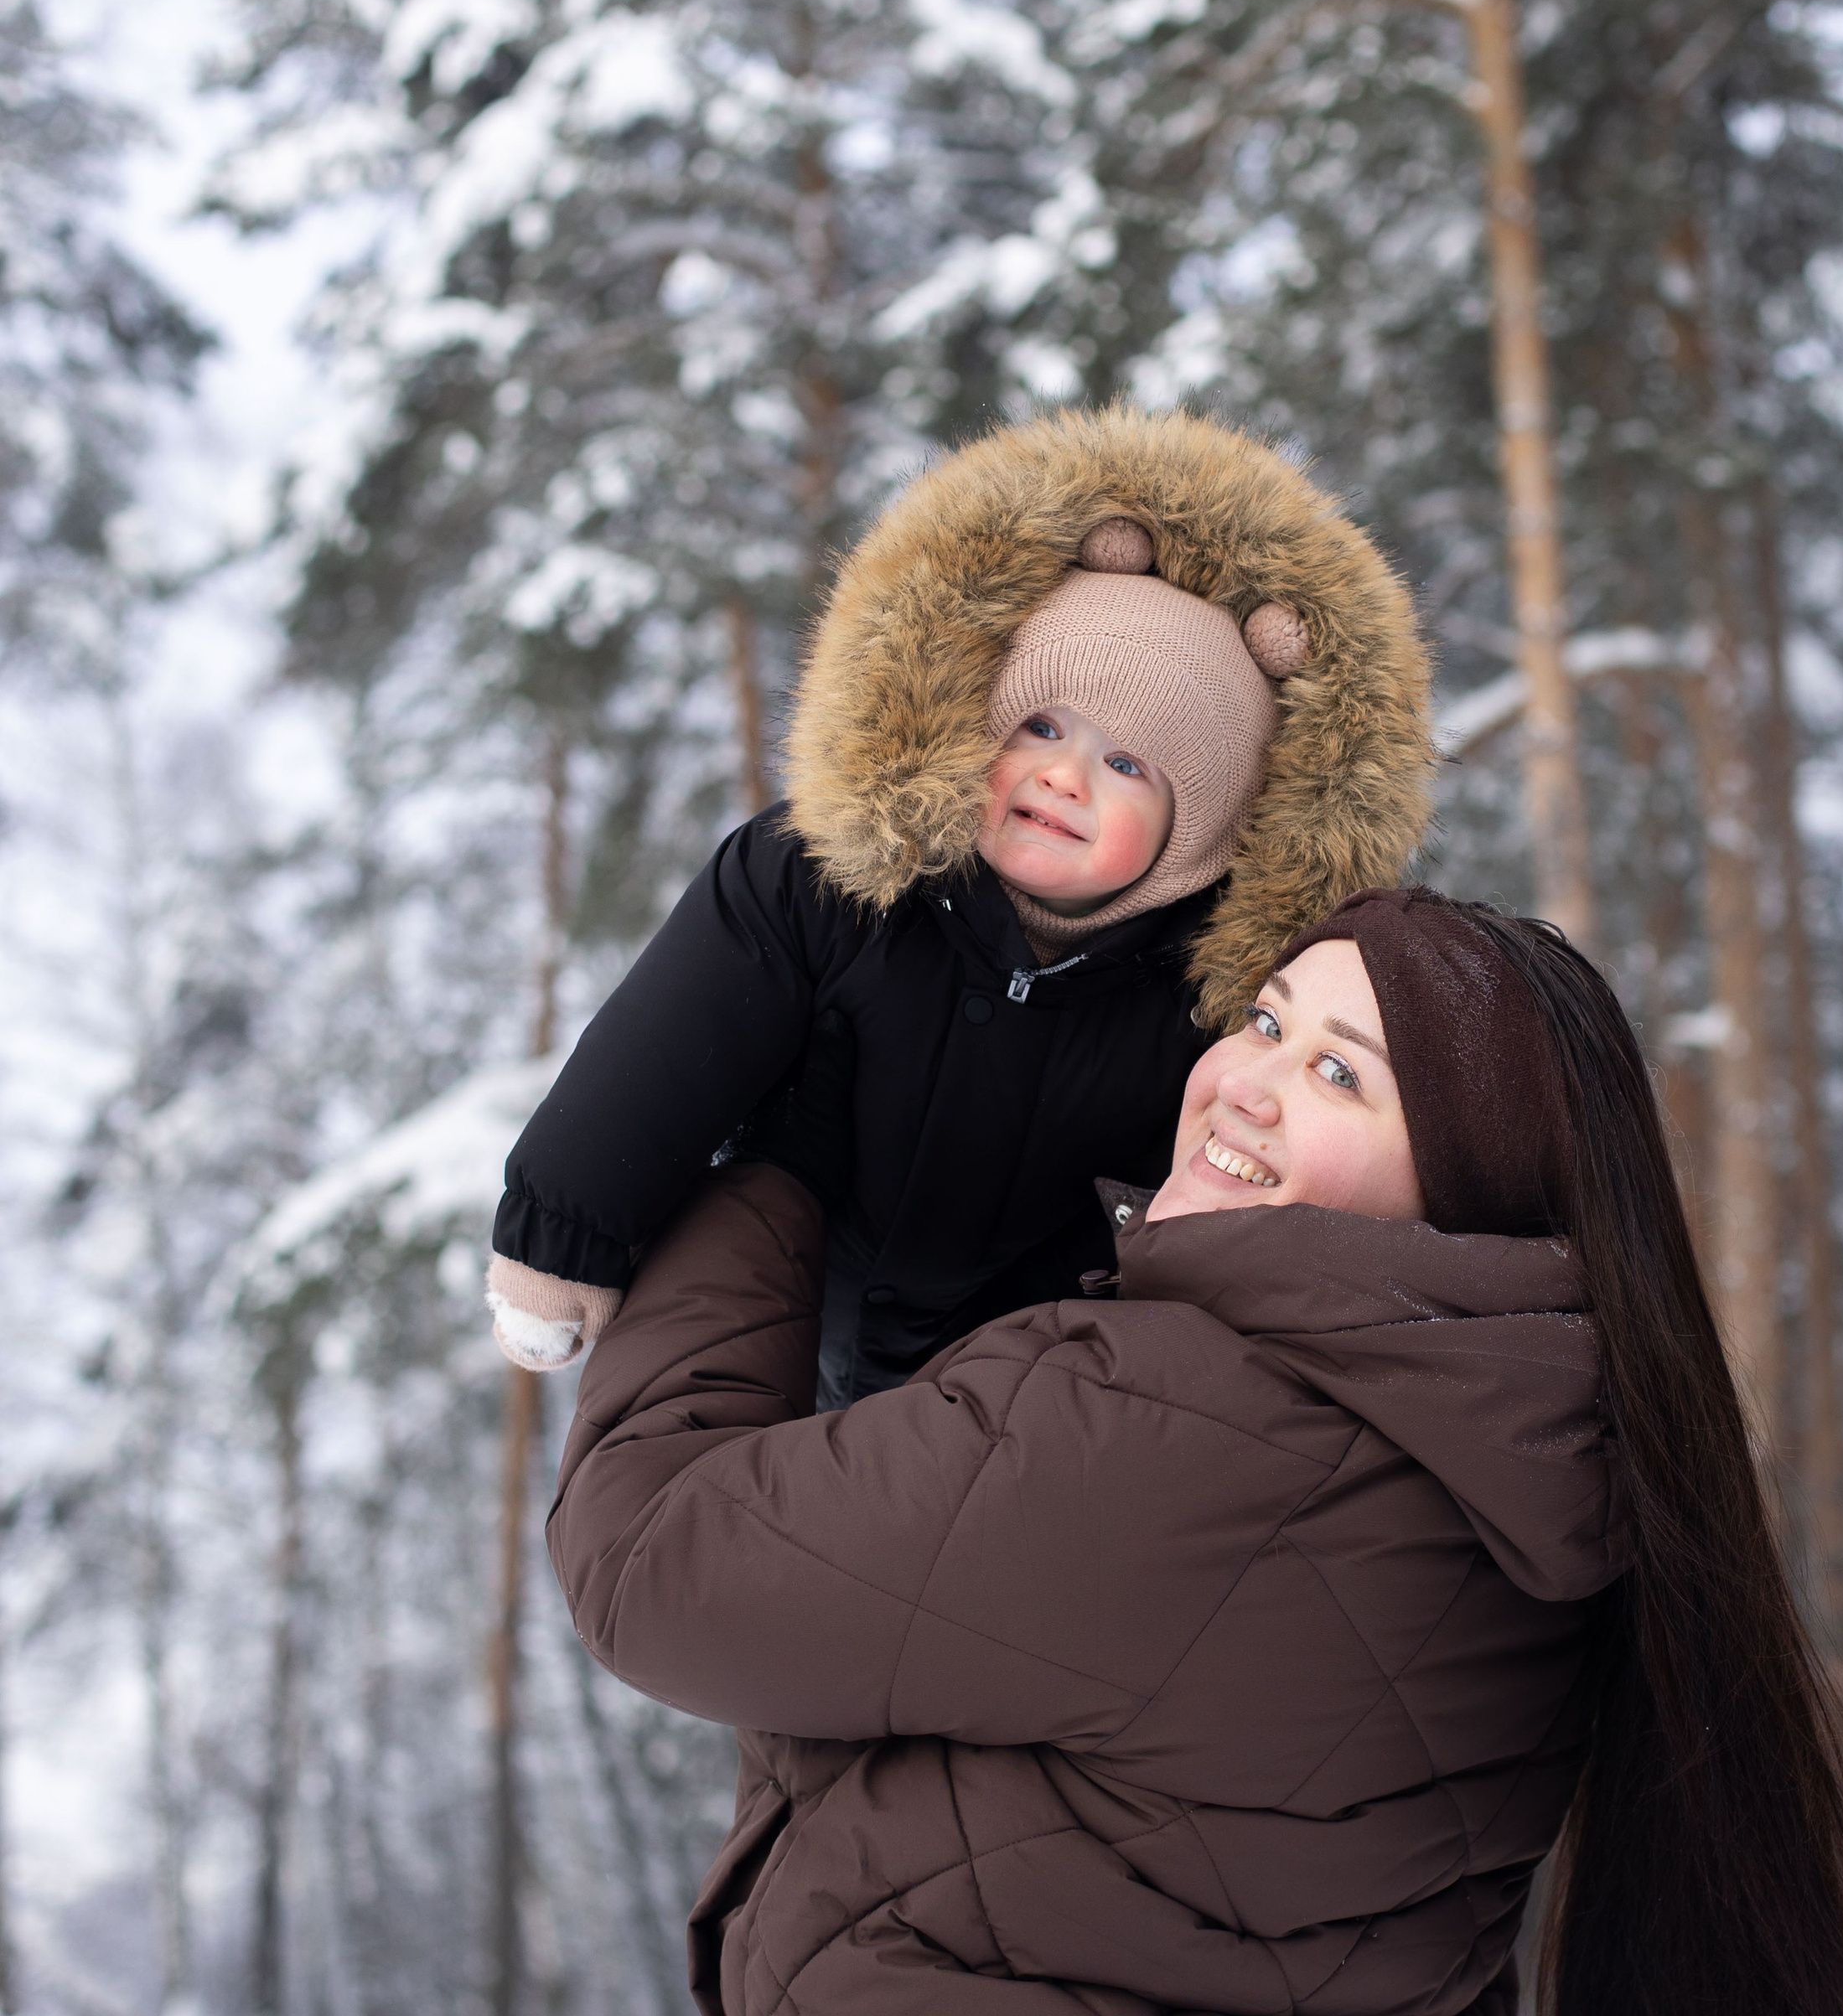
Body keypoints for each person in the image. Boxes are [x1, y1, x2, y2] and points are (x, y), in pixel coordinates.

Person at [549, 890, 1843, 2016]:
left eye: (1346, 1074)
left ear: (1467, 1189)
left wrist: (773, 1173)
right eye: (1264, 1020)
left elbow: (652, 1560)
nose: (1248, 1081)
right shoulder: (1552, 1461)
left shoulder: (1170, 1425)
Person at [484, 399, 1432, 1406]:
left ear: (1199, 839)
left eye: (1124, 764)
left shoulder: (1195, 1006)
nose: (1063, 776)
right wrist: (566, 1238)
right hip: (793, 1298)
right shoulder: (827, 879)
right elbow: (666, 1047)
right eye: (1038, 726)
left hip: (1013, 1372)